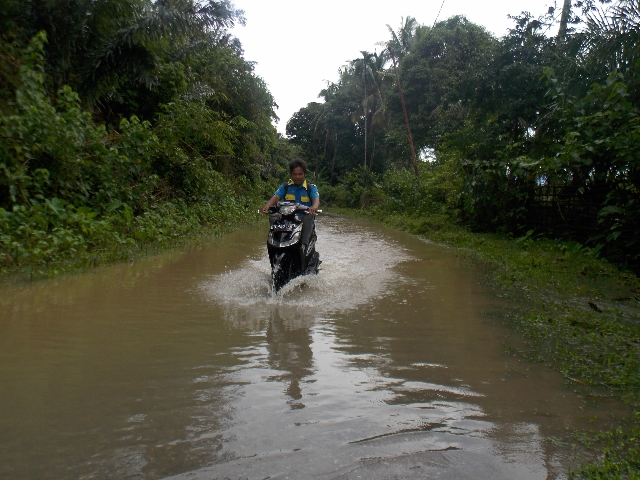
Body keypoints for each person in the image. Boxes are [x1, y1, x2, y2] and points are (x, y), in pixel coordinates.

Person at [261, 158, 320, 251]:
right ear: (291, 174)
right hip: (288, 221)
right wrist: (268, 206)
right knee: (273, 216)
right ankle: (274, 242)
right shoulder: (285, 187)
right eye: (295, 174)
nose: (297, 177)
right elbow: (276, 196)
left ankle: (305, 245)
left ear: (304, 174)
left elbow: (315, 199)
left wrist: (314, 206)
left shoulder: (310, 188)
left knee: (309, 217)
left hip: (303, 221)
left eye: (300, 174)